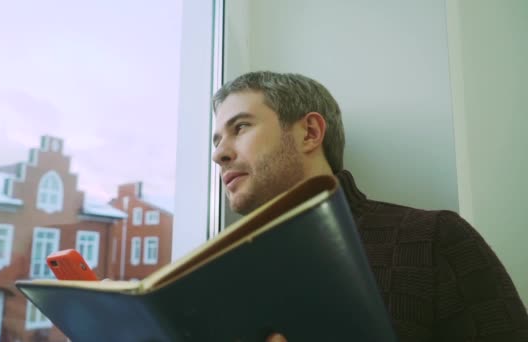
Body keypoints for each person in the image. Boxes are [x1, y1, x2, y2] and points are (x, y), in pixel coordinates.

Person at [211, 71, 528, 341]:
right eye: (216, 140)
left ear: (309, 133)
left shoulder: (434, 239)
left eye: (240, 128)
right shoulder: (223, 279)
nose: (219, 154)